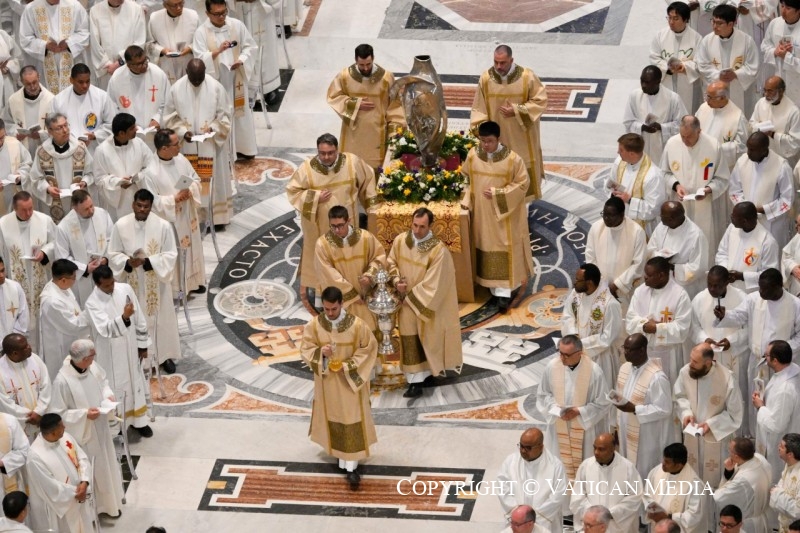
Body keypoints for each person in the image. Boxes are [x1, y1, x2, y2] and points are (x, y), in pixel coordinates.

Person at [299, 286, 377, 491]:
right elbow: (305, 349)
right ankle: (340, 458)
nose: (330, 313)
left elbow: (369, 349)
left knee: (350, 419)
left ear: (341, 304)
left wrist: (349, 365)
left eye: (333, 309)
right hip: (328, 384)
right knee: (333, 416)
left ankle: (351, 467)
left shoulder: (358, 326)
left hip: (349, 382)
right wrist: (321, 354)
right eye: (326, 309)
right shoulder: (315, 326)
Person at [287, 133, 379, 295]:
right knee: (327, 257)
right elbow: (293, 191)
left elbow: (368, 179)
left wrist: (372, 208)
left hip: (349, 223)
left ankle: (354, 288)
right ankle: (323, 292)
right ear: (317, 151)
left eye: (331, 153)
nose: (327, 157)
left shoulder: (352, 163)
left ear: (337, 150)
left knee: (350, 256)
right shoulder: (307, 169)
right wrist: (315, 197)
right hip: (322, 225)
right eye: (322, 153)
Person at [386, 207, 462, 398]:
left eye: (422, 227)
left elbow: (435, 284)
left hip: (420, 302)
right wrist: (396, 281)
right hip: (405, 302)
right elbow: (391, 262)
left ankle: (427, 373)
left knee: (428, 338)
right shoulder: (401, 241)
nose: (417, 230)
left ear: (431, 226)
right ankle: (415, 382)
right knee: (410, 338)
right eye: (415, 225)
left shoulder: (439, 251)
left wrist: (411, 296)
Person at [715, 268, 800, 436]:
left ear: (778, 286)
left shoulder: (795, 304)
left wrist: (783, 349)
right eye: (760, 287)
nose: (761, 292)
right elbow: (739, 316)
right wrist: (725, 315)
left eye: (765, 289)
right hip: (758, 363)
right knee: (756, 401)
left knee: (777, 406)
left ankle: (777, 441)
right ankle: (755, 437)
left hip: (780, 365)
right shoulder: (754, 299)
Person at [461, 121, 533, 311]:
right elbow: (465, 179)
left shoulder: (513, 160)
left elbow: (523, 185)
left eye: (490, 141)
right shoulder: (473, 156)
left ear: (498, 139)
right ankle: (489, 287)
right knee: (483, 245)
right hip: (481, 215)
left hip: (503, 216)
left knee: (502, 247)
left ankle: (503, 294)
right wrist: (467, 199)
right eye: (483, 141)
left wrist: (499, 194)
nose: (486, 145)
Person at [108, 188, 179, 374]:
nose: (142, 209)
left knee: (160, 319)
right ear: (133, 204)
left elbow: (171, 254)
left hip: (155, 282)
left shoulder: (163, 226)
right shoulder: (121, 225)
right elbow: (113, 253)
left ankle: (163, 356)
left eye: (146, 207)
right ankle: (136, 357)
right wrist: (127, 262)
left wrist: (148, 262)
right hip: (132, 283)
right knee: (136, 320)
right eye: (139, 205)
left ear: (151, 207)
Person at [51, 338, 123, 517]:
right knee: (92, 469)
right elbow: (58, 414)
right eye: (92, 355)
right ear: (82, 359)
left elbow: (103, 382)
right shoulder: (62, 381)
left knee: (106, 464)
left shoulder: (92, 366)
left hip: (101, 427)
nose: (94, 358)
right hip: (83, 434)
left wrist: (108, 395)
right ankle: (94, 512)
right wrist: (84, 415)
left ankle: (110, 504)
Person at [471, 44, 547, 201]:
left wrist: (517, 110)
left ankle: (524, 205)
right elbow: (479, 108)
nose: (498, 67)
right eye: (496, 62)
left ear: (512, 60)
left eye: (503, 63)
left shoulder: (527, 77)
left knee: (523, 168)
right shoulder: (486, 79)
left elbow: (540, 101)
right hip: (498, 138)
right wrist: (483, 132)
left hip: (523, 138)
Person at [84, 265, 152, 437]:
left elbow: (138, 317)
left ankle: (139, 421)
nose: (111, 287)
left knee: (135, 381)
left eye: (112, 282)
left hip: (130, 346)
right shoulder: (92, 303)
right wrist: (124, 317)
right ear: (98, 284)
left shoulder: (125, 288)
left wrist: (142, 345)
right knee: (117, 386)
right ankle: (118, 427)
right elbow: (105, 329)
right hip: (110, 352)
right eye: (106, 286)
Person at [165, 58, 233, 226]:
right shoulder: (176, 89)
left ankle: (215, 218)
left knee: (213, 181)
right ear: (187, 73)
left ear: (205, 73)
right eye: (193, 78)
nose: (197, 82)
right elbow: (169, 117)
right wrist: (182, 132)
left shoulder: (216, 88)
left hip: (210, 145)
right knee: (188, 177)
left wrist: (212, 129)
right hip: (186, 146)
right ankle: (191, 216)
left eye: (200, 78)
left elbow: (225, 116)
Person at [535, 335, 610, 480]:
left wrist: (578, 411)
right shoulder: (552, 366)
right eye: (560, 353)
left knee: (584, 473)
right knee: (558, 472)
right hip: (559, 425)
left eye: (567, 355)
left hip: (583, 428)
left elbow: (603, 403)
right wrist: (555, 408)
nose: (562, 358)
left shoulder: (594, 371)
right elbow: (543, 394)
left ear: (579, 353)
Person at [192, 0, 258, 160]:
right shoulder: (201, 32)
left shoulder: (236, 25)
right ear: (207, 14)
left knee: (239, 112)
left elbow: (251, 47)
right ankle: (226, 153)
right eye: (217, 14)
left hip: (236, 77)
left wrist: (241, 60)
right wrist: (217, 51)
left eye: (224, 12)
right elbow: (199, 58)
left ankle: (244, 148)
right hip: (217, 79)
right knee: (221, 114)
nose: (221, 17)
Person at [142, 128, 205, 295]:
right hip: (171, 220)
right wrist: (174, 199)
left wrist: (190, 190)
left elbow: (195, 178)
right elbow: (152, 202)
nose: (180, 146)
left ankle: (195, 281)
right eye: (176, 144)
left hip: (187, 213)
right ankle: (179, 287)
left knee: (193, 247)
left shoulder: (180, 159)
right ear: (164, 148)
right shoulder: (150, 172)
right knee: (176, 251)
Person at [674, 342, 744, 488]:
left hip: (717, 439)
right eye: (690, 359)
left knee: (714, 483)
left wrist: (711, 425)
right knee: (692, 482)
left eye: (695, 361)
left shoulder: (727, 378)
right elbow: (679, 396)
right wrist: (686, 413)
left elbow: (735, 414)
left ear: (707, 363)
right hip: (692, 436)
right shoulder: (685, 372)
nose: (690, 364)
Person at [326, 43, 405, 168]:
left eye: (368, 64)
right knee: (352, 167)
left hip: (377, 132)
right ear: (355, 60)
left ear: (373, 58)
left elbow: (395, 105)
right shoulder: (345, 76)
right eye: (361, 65)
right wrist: (354, 104)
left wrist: (395, 130)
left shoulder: (386, 78)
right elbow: (333, 96)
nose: (366, 68)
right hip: (353, 133)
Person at [661, 115, 729, 259]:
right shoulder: (672, 144)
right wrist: (676, 185)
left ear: (699, 131)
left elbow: (722, 178)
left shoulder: (713, 146)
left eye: (689, 136)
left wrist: (708, 189)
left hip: (703, 206)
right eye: (682, 136)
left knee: (702, 245)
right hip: (679, 205)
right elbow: (664, 172)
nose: (685, 141)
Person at [314, 204, 385, 334]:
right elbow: (327, 274)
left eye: (340, 225)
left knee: (371, 334)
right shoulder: (322, 245)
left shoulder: (365, 237)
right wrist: (352, 295)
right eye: (333, 226)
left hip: (366, 296)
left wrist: (369, 276)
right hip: (342, 302)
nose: (337, 230)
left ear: (349, 221)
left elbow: (379, 257)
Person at [0, 191, 57, 351]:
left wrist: (45, 252)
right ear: (15, 209)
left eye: (31, 208)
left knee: (41, 317)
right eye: (24, 210)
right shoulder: (3, 224)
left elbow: (56, 243)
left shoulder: (44, 220)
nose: (29, 213)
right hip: (17, 281)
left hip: (40, 276)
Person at [625, 256, 692, 383]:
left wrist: (657, 328)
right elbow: (630, 319)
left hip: (668, 354)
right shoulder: (640, 291)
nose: (644, 277)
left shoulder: (680, 295)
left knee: (666, 387)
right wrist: (644, 325)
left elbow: (683, 328)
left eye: (649, 275)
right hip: (643, 352)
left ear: (661, 275)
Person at [612, 333, 672, 476]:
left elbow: (664, 409)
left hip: (646, 435)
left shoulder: (657, 377)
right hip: (624, 429)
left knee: (643, 470)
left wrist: (635, 409)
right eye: (624, 348)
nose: (625, 353)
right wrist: (615, 425)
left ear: (642, 350)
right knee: (626, 467)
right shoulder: (625, 368)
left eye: (629, 350)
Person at [691, 266, 748, 409]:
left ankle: (737, 429)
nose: (712, 289)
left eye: (717, 285)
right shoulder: (699, 299)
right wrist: (705, 339)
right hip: (710, 357)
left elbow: (750, 328)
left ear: (727, 282)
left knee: (735, 396)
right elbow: (693, 327)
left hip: (734, 355)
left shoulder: (742, 298)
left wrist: (732, 340)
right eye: (709, 284)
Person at [25, 413, 93, 533]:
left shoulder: (65, 437)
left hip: (79, 496)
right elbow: (49, 487)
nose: (65, 427)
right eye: (61, 426)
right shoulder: (35, 456)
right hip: (60, 507)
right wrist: (76, 493)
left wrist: (85, 481)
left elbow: (82, 458)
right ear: (53, 432)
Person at [560, 263, 623, 388]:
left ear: (589, 283)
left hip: (600, 357)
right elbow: (567, 315)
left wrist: (581, 345)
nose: (574, 283)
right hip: (575, 353)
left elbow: (608, 337)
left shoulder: (610, 304)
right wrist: (572, 335)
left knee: (599, 393)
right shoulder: (575, 294)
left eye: (578, 280)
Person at [729, 132, 794, 249]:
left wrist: (764, 210)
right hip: (747, 222)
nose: (748, 153)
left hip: (771, 223)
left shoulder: (781, 166)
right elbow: (735, 190)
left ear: (764, 150)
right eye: (748, 148)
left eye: (752, 150)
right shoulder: (742, 162)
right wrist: (745, 209)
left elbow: (787, 199)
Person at [569, 433, 643, 533]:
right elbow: (578, 496)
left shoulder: (627, 468)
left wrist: (611, 513)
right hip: (592, 527)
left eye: (601, 449)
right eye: (594, 448)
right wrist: (594, 515)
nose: (596, 452)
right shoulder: (586, 466)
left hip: (618, 525)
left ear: (613, 449)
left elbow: (635, 497)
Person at [496, 428, 566, 533]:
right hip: (517, 522)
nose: (523, 450)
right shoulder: (510, 461)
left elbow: (558, 496)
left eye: (528, 448)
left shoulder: (555, 466)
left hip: (545, 521)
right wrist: (519, 515)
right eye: (521, 446)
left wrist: (534, 518)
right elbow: (502, 488)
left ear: (541, 446)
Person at [584, 196, 647, 311]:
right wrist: (601, 283)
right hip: (600, 286)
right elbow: (590, 256)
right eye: (604, 214)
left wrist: (616, 285)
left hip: (624, 289)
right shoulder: (596, 228)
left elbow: (639, 263)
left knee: (621, 322)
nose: (606, 218)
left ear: (622, 215)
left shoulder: (637, 232)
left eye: (610, 215)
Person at [27, 112, 92, 223]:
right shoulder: (42, 151)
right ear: (50, 131)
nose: (65, 130)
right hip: (53, 204)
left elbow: (91, 172)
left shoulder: (80, 147)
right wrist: (47, 188)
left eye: (66, 125)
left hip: (78, 201)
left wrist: (84, 182)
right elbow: (35, 178)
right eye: (59, 128)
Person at [696, 5, 760, 115]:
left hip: (740, 94)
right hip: (716, 93)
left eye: (719, 23)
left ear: (731, 24)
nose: (715, 26)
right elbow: (702, 65)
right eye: (713, 21)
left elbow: (753, 67)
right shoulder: (707, 41)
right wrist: (718, 75)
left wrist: (736, 74)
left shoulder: (746, 41)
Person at [54, 190, 113, 306]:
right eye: (86, 209)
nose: (91, 211)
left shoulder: (102, 215)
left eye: (91, 206)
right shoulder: (64, 227)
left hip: (103, 272)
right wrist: (85, 268)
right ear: (75, 208)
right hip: (81, 280)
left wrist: (106, 259)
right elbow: (62, 258)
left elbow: (111, 239)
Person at [753, 340, 800, 482]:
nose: (764, 359)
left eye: (766, 356)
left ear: (775, 360)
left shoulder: (785, 389)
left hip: (777, 445)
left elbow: (777, 425)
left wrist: (760, 407)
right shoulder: (790, 370)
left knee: (773, 480)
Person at [18, 0, 89, 94]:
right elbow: (25, 39)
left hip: (70, 61)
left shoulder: (74, 5)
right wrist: (45, 46)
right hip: (44, 66)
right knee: (48, 100)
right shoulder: (31, 8)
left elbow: (84, 32)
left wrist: (69, 43)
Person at [92, 112, 152, 219]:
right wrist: (118, 182)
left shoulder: (139, 143)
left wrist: (138, 177)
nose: (136, 129)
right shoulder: (102, 150)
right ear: (121, 133)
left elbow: (151, 165)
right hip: (117, 202)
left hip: (138, 196)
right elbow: (99, 179)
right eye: (132, 128)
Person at [623, 66, 686, 166]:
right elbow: (628, 121)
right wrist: (642, 127)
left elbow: (682, 125)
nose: (643, 85)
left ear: (658, 81)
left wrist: (661, 127)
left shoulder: (673, 99)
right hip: (640, 149)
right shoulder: (634, 96)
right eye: (642, 80)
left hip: (662, 151)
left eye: (647, 82)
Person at [38, 259, 90, 378]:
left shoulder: (60, 286)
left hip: (70, 340)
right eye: (73, 278)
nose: (75, 280)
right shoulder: (52, 301)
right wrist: (92, 312)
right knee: (64, 377)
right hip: (60, 346)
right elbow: (73, 325)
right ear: (63, 280)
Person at [605, 132, 665, 237]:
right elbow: (611, 182)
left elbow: (654, 209)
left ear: (631, 154)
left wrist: (629, 200)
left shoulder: (653, 176)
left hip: (640, 228)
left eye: (621, 150)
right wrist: (612, 193)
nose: (618, 152)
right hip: (618, 220)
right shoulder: (620, 161)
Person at [106, 45, 171, 139]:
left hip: (153, 132)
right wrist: (127, 124)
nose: (144, 65)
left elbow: (167, 102)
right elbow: (112, 106)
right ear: (128, 65)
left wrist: (157, 119)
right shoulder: (117, 78)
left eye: (145, 60)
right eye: (139, 64)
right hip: (129, 134)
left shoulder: (158, 74)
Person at [49, 63, 115, 155]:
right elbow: (52, 128)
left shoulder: (102, 97)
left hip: (95, 151)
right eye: (80, 82)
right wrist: (72, 140)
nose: (85, 85)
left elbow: (112, 124)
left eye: (87, 81)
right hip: (69, 152)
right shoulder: (58, 101)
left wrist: (95, 135)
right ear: (71, 80)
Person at [715, 201, 781, 293]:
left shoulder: (768, 242)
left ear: (744, 221)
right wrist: (725, 270)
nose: (731, 218)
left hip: (751, 293)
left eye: (733, 217)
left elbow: (769, 276)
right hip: (728, 289)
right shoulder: (732, 228)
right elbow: (722, 252)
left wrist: (742, 276)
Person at [228, 0, 283, 107]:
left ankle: (269, 87)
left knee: (266, 47)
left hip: (261, 8)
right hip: (239, 9)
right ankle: (246, 88)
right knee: (242, 46)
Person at [649, 2, 703, 112]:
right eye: (669, 18)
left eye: (676, 18)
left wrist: (685, 67)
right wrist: (667, 68)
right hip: (666, 84)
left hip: (687, 87)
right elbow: (654, 58)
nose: (671, 22)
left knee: (686, 115)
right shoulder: (660, 36)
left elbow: (700, 63)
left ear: (686, 19)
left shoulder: (697, 38)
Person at [643, 443, 707, 533]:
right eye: (664, 459)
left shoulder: (694, 484)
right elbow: (647, 494)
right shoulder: (656, 472)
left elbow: (694, 515)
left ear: (679, 465)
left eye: (667, 462)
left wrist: (669, 517)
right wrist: (651, 510)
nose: (663, 464)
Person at [713, 437, 772, 533]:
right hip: (761, 518)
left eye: (730, 450)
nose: (728, 452)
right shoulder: (759, 458)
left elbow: (718, 498)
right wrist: (729, 471)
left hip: (746, 525)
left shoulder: (743, 480)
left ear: (736, 456)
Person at [0, 334, 52, 440]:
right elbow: (4, 403)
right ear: (15, 353)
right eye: (25, 347)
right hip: (19, 425)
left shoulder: (35, 359)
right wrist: (29, 416)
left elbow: (46, 386)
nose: (29, 347)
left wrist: (39, 411)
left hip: (40, 419)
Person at [87, 0, 146, 90]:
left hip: (129, 66)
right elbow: (95, 44)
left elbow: (139, 42)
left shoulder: (136, 10)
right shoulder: (95, 11)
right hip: (107, 71)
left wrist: (120, 62)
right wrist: (107, 64)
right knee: (109, 100)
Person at [695, 81, 748, 175]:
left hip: (722, 170)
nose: (707, 100)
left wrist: (716, 149)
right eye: (707, 96)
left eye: (710, 97)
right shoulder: (703, 108)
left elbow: (742, 147)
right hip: (699, 161)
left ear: (723, 98)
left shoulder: (737, 117)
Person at [2, 66, 55, 158]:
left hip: (46, 151)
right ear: (22, 82)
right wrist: (15, 133)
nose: (33, 87)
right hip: (21, 149)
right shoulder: (13, 100)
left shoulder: (51, 100)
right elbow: (6, 122)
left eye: (34, 82)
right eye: (28, 84)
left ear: (39, 77)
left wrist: (42, 135)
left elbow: (57, 126)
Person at [749, 76, 800, 169]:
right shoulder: (761, 103)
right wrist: (758, 128)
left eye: (770, 91)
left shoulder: (793, 112)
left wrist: (773, 134)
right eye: (765, 90)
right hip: (762, 158)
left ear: (781, 91)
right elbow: (752, 124)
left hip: (783, 163)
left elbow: (795, 143)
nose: (766, 94)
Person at [145, 0, 199, 85]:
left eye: (181, 3)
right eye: (174, 5)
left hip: (188, 63)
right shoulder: (155, 18)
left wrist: (190, 48)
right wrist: (162, 50)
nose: (179, 8)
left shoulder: (193, 16)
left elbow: (200, 41)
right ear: (165, 5)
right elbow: (148, 44)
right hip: (166, 65)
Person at [762, 0, 800, 105]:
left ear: (798, 11)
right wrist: (775, 51)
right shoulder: (775, 23)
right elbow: (765, 46)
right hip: (779, 78)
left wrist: (787, 57)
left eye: (788, 8)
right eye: (782, 6)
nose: (783, 11)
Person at [0, 118, 32, 217]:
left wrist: (20, 175)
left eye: (2, 137)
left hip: (14, 199)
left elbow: (28, 163)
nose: (0, 142)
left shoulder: (14, 144)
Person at [770, 433, 800, 533]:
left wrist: (777, 494)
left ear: (790, 454)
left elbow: (798, 511)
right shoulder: (789, 464)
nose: (778, 447)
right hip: (784, 525)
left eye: (782, 446)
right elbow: (780, 485)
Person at [0, 258, 28, 341]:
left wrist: (12, 340)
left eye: (2, 270)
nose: (1, 275)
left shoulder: (15, 287)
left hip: (13, 343)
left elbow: (23, 315)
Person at [784, 213, 800, 296]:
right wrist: (793, 267)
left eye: (799, 225)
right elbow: (786, 256)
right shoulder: (798, 237)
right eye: (796, 222)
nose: (796, 227)